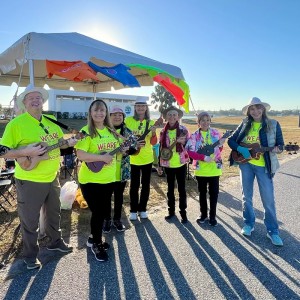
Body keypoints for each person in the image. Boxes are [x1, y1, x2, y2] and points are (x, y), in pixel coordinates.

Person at [0, 85, 76, 270]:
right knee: (30, 220)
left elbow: (60, 146)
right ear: (24, 103)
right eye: (31, 98)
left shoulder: (51, 122)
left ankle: (55, 243)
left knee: (54, 214)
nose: (36, 100)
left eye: (39, 98)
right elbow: (2, 151)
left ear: (43, 101)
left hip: (52, 177)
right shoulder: (16, 124)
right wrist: (26, 151)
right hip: (30, 181)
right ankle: (30, 256)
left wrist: (70, 143)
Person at [227, 97, 284, 246]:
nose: (255, 111)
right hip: (245, 165)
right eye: (252, 109)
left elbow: (281, 144)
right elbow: (231, 141)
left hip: (263, 167)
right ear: (248, 111)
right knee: (246, 197)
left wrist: (279, 149)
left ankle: (272, 231)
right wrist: (240, 149)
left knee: (268, 199)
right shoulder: (245, 123)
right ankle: (248, 224)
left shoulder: (273, 124)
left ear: (263, 109)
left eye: (258, 108)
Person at [75, 99, 120, 262]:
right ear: (90, 113)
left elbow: (119, 149)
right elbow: (80, 154)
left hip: (108, 179)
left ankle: (93, 239)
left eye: (102, 110)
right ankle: (97, 244)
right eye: (96, 110)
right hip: (90, 180)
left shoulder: (111, 130)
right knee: (98, 212)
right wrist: (101, 157)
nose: (99, 113)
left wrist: (129, 147)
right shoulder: (86, 131)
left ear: (106, 113)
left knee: (101, 212)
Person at [102, 105, 140, 233]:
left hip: (121, 170)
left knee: (119, 196)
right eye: (114, 114)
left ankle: (117, 219)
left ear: (123, 117)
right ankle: (107, 220)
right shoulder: (104, 130)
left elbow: (135, 149)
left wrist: (128, 151)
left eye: (120, 115)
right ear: (109, 117)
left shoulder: (128, 132)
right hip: (106, 170)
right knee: (106, 197)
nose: (117, 117)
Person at [185, 112, 225, 227]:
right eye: (202, 120)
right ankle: (203, 215)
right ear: (198, 122)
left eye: (208, 120)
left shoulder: (215, 133)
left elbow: (219, 150)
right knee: (202, 193)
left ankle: (212, 216)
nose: (205, 122)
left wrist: (221, 145)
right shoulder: (194, 136)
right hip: (201, 169)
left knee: (214, 194)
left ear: (210, 121)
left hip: (214, 169)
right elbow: (189, 151)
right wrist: (202, 157)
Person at [124, 97, 158, 220]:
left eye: (143, 106)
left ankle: (143, 208)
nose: (140, 108)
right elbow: (124, 138)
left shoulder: (151, 122)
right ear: (135, 108)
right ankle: (133, 210)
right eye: (138, 106)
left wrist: (154, 133)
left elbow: (154, 142)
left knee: (146, 185)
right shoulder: (128, 120)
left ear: (146, 108)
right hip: (133, 158)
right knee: (134, 185)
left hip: (147, 158)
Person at [157, 106, 190, 223]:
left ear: (178, 117)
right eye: (169, 114)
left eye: (174, 114)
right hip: (168, 164)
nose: (172, 116)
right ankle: (171, 212)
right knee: (170, 189)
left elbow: (190, 146)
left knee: (182, 189)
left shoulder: (183, 130)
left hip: (181, 164)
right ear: (166, 117)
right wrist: (159, 164)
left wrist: (184, 142)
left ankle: (183, 213)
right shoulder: (162, 131)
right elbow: (161, 148)